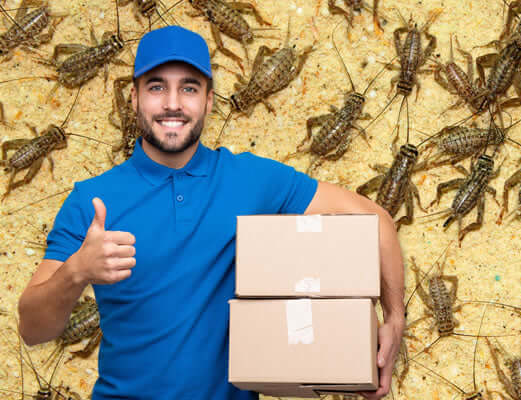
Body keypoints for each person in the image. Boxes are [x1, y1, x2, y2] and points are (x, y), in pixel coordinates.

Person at [17, 26, 404, 400]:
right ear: (132, 98)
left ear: (209, 101)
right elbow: (34, 329)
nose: (172, 103)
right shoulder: (92, 199)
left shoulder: (252, 178)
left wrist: (394, 317)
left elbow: (376, 221)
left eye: (189, 88)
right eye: (156, 87)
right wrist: (77, 270)